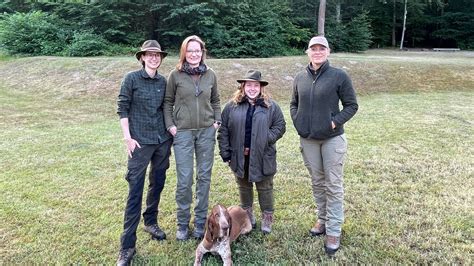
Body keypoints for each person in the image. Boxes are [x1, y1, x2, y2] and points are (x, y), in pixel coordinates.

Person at [290, 36, 358, 255]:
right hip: (308, 139)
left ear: (328, 51)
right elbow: (294, 104)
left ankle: (334, 229)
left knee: (333, 185)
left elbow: (351, 105)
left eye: (322, 48)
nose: (317, 52)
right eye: (313, 48)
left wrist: (333, 121)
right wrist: (298, 120)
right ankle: (322, 219)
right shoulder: (300, 77)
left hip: (332, 139)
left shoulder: (339, 76)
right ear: (307, 52)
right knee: (317, 182)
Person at [116, 40, 172, 266]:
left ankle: (151, 221)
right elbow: (122, 107)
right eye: (149, 54)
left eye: (157, 55)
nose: (153, 58)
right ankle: (127, 246)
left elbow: (166, 109)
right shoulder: (131, 79)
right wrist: (128, 137)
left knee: (157, 182)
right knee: (135, 191)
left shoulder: (163, 81)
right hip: (139, 143)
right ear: (142, 57)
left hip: (161, 141)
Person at [163, 35, 221, 241]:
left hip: (206, 131)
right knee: (185, 179)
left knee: (204, 178)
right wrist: (171, 125)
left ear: (202, 52)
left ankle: (200, 223)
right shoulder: (175, 75)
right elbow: (168, 102)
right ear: (184, 53)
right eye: (190, 50)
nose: (194, 54)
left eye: (198, 50)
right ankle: (182, 223)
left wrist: (217, 121)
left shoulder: (211, 74)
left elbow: (215, 100)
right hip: (183, 133)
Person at [218, 70, 286, 234]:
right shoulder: (231, 106)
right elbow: (224, 131)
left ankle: (267, 219)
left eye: (256, 85)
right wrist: (225, 153)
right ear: (243, 86)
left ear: (261, 87)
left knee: (265, 187)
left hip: (263, 156)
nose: (252, 88)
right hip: (240, 156)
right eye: (249, 85)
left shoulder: (271, 106)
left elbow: (280, 126)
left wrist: (266, 137)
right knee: (244, 187)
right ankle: (247, 217)